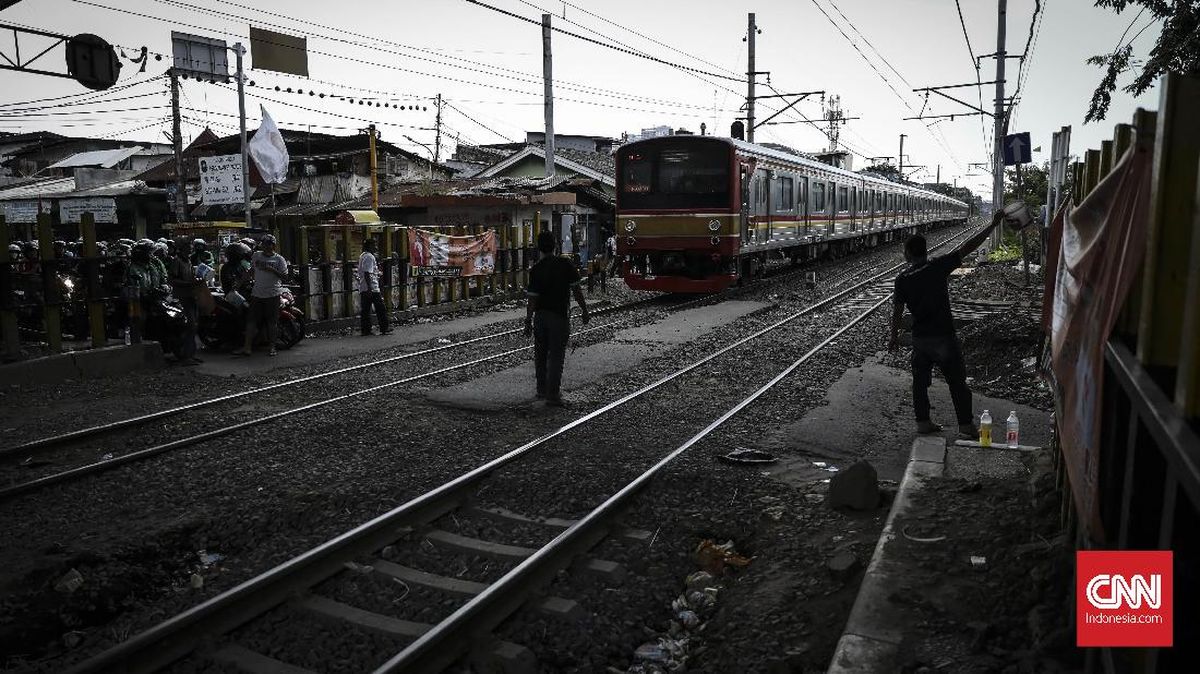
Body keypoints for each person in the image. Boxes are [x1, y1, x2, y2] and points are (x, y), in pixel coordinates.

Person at [888, 211, 1006, 439]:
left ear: (908, 254)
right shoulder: (938, 266)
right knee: (957, 383)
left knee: (920, 384)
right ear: (924, 251)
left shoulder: (902, 279)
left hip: (920, 339)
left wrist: (894, 337)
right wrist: (993, 225)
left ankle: (923, 422)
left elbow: (897, 311)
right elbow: (968, 247)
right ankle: (965, 426)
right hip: (943, 336)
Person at [525, 231, 590, 406]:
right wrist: (584, 310)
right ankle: (552, 395)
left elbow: (532, 299)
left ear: (539, 247)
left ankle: (541, 390)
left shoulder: (536, 269)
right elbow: (577, 291)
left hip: (540, 317)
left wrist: (528, 320)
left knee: (540, 355)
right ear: (555, 246)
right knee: (556, 356)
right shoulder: (565, 264)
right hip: (559, 317)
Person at [233, 234, 288, 357]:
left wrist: (271, 269)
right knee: (251, 321)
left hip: (273, 294)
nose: (266, 246)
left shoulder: (280, 260)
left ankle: (272, 347)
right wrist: (239, 283)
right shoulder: (256, 255)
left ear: (273, 246)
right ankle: (247, 347)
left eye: (269, 244)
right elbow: (251, 271)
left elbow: (285, 277)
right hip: (257, 294)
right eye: (264, 244)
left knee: (272, 322)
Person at [167, 237, 202, 365]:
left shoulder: (188, 261)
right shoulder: (177, 261)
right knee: (190, 325)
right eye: (188, 245)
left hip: (191, 295)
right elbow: (172, 279)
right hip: (182, 297)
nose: (191, 247)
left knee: (194, 325)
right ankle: (186, 356)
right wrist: (187, 283)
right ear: (182, 248)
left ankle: (191, 354)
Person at [357, 238, 391, 336]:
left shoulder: (363, 256)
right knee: (380, 308)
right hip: (372, 287)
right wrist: (370, 288)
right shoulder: (369, 257)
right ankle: (384, 328)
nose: (375, 247)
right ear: (370, 246)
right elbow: (367, 273)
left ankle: (366, 330)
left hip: (364, 287)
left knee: (366, 310)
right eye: (374, 245)